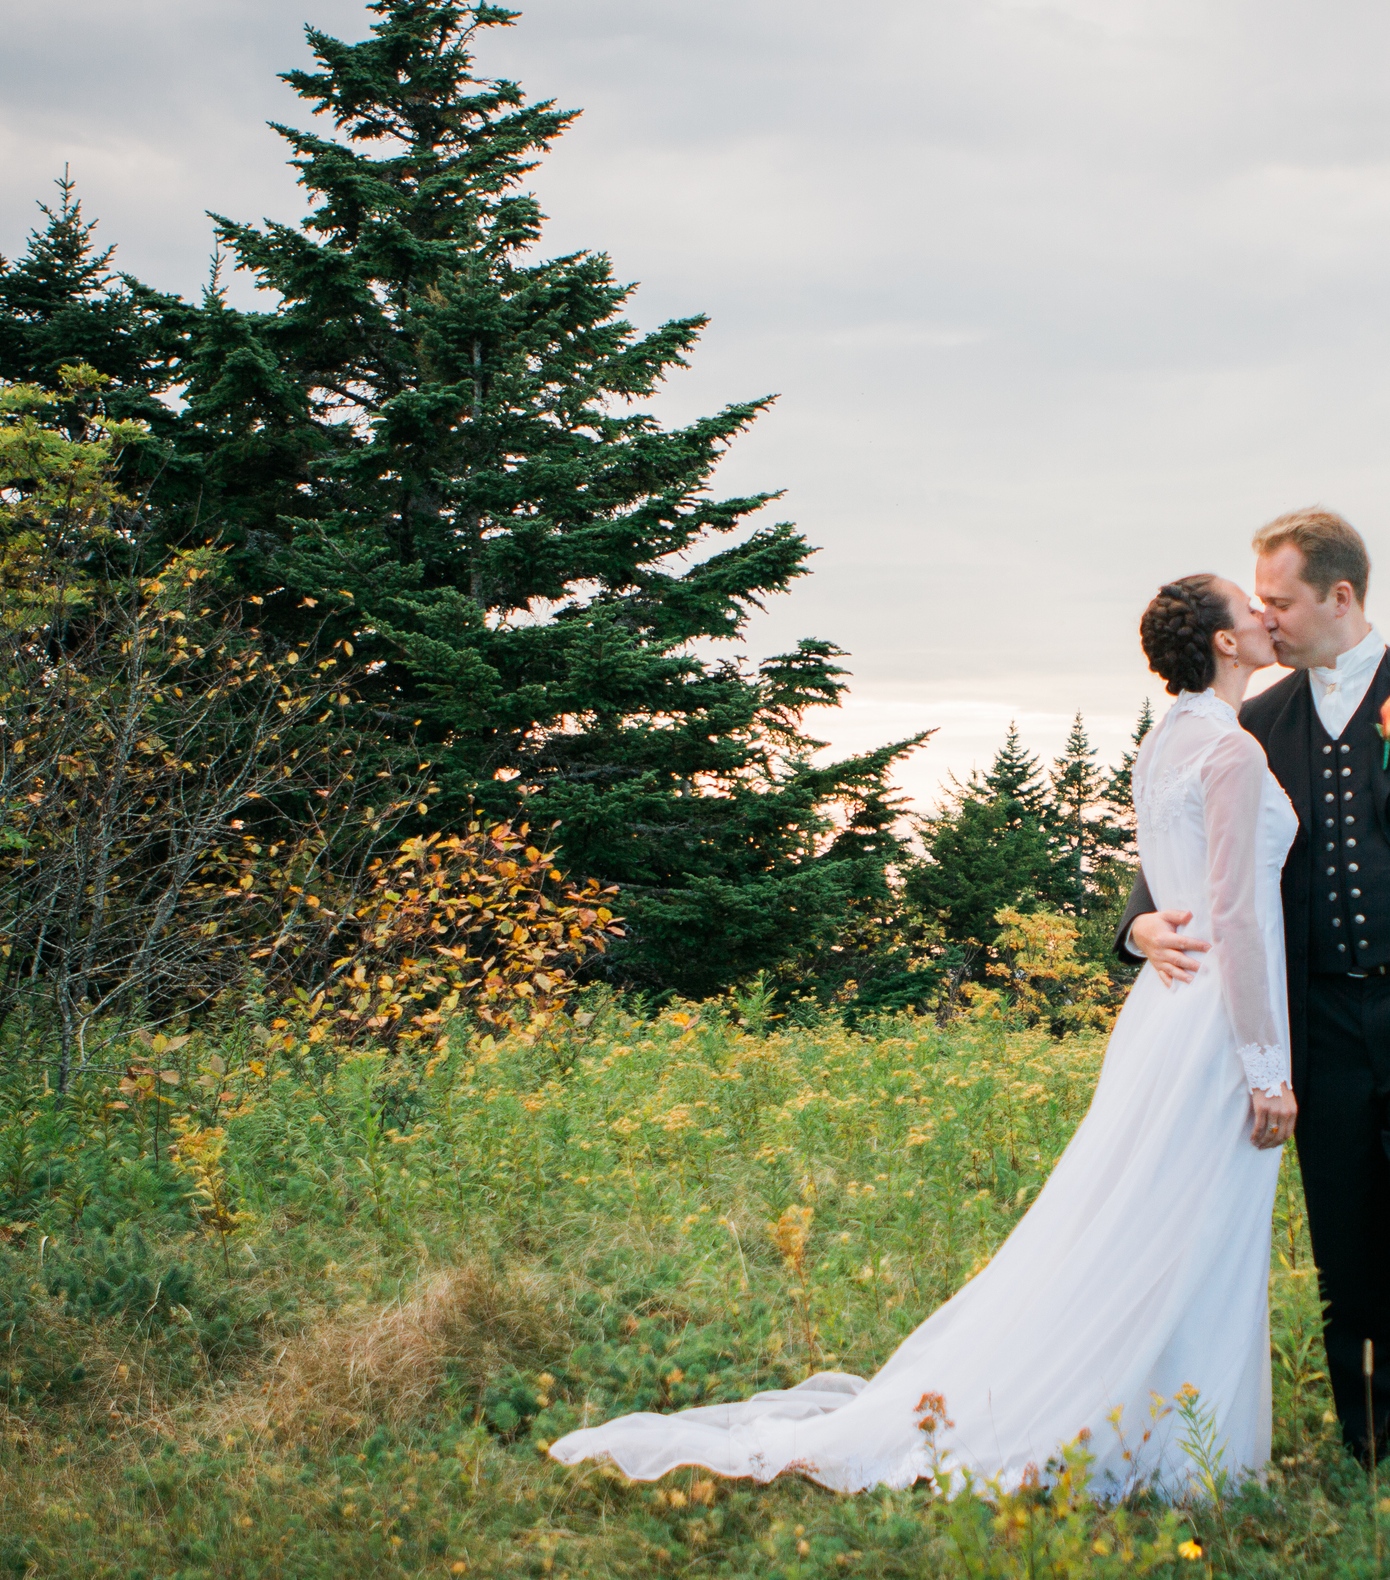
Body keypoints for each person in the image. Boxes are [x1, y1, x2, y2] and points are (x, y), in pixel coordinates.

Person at [549, 574, 1300, 1500]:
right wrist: (1268, 1066)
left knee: (1152, 1213)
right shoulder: (1229, 754)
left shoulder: (1164, 744)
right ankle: (1177, 1445)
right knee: (1193, 1220)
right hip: (1218, 1018)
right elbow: (1230, 910)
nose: (1265, 618)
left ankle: (1158, 1419)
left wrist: (1147, 932)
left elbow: (1176, 880)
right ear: (1224, 643)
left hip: (1165, 1010)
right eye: (1248, 607)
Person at [1117, 507, 1390, 1482]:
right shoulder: (1257, 721)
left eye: (1278, 599)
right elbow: (1199, 840)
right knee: (1347, 1241)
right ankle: (1373, 1441)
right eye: (1257, 602)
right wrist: (1136, 920)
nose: (1266, 619)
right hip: (1320, 1024)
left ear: (1339, 595)